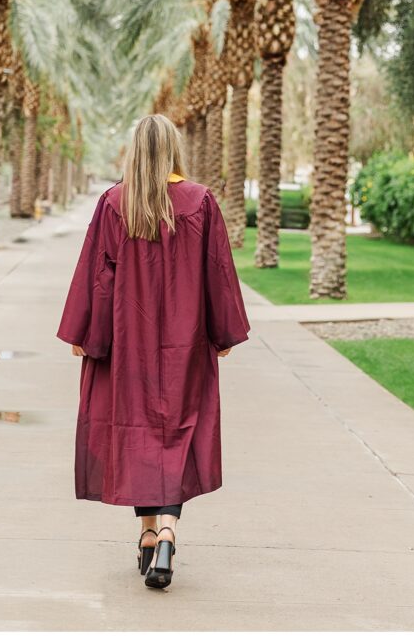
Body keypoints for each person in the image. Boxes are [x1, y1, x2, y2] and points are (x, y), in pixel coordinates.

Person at [56, 114, 250, 590]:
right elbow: (218, 272)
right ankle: (164, 531)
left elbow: (98, 277)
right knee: (176, 434)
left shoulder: (114, 203)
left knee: (138, 437)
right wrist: (223, 332)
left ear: (135, 152)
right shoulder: (200, 202)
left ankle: (147, 534)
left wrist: (87, 334)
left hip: (129, 348)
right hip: (186, 345)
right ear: (174, 150)